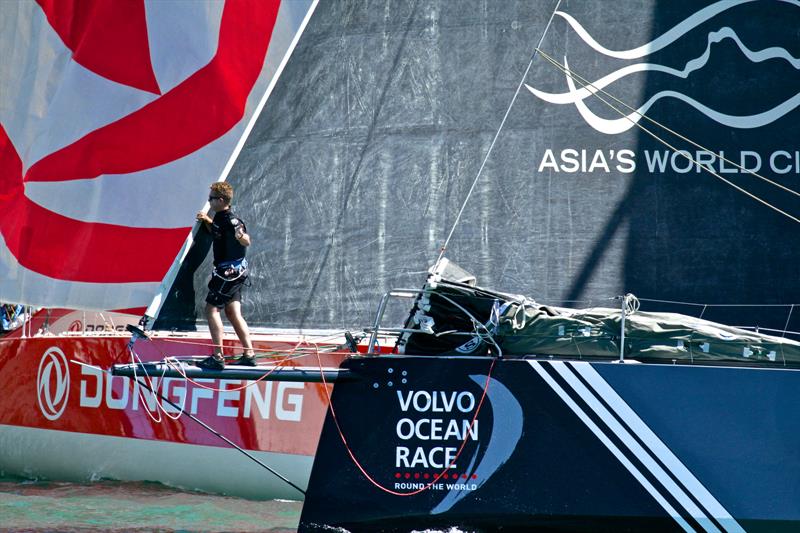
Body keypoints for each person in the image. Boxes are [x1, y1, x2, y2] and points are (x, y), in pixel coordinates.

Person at [195, 182, 256, 370]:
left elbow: (244, 239)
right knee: (233, 312)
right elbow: (218, 231)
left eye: (211, 199)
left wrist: (241, 237)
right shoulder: (219, 218)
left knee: (211, 310)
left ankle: (218, 356)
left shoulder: (232, 220)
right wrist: (206, 220)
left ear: (221, 200)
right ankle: (249, 354)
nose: (209, 201)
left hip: (227, 274)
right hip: (236, 273)